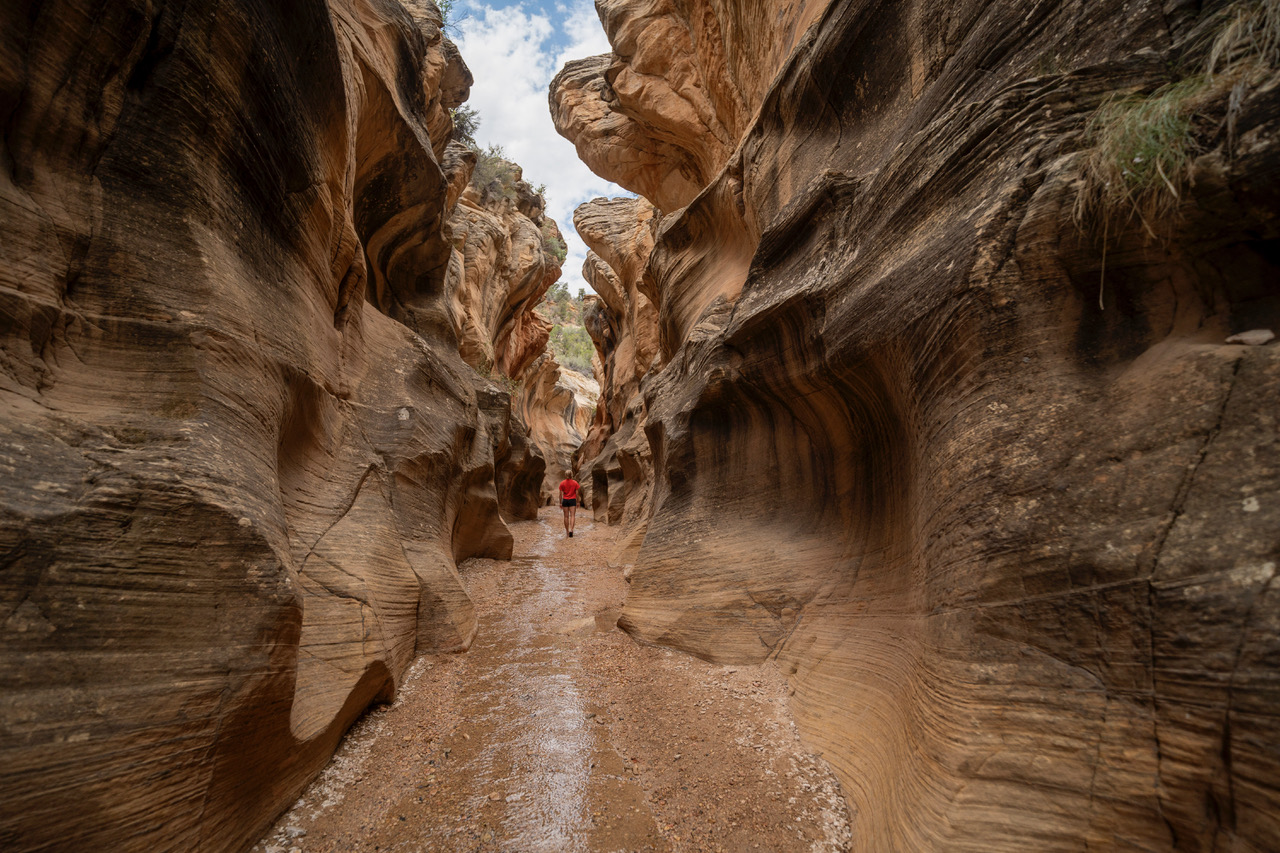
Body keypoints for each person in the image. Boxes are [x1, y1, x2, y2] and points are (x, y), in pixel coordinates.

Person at [558, 472, 580, 537]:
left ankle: (567, 532)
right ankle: (571, 530)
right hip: (572, 500)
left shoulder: (562, 483)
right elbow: (577, 494)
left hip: (565, 500)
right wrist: (578, 502)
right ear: (571, 475)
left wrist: (560, 502)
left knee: (566, 516)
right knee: (572, 515)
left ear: (565, 475)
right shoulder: (575, 483)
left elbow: (560, 494)